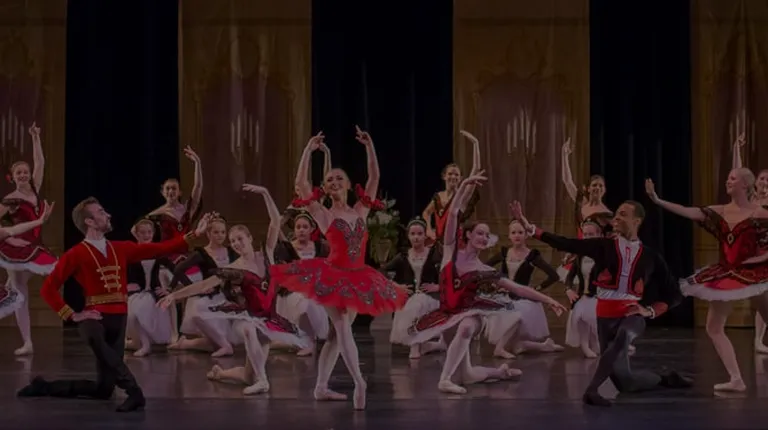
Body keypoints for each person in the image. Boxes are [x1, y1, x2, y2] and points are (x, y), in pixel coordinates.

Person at [16, 197, 210, 412]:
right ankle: (134, 391)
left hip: (119, 317)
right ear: (89, 221)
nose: (107, 215)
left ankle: (44, 387)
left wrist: (195, 234)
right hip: (94, 317)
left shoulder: (120, 248)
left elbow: (160, 248)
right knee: (95, 337)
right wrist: (71, 314)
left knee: (103, 389)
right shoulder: (76, 254)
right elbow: (48, 289)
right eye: (101, 212)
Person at [269, 128, 408, 410]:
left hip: (358, 276)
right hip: (332, 275)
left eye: (339, 178)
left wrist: (369, 146)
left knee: (336, 336)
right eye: (329, 179)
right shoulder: (323, 213)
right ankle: (359, 382)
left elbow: (374, 178)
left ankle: (321, 387)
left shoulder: (360, 210)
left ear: (348, 184)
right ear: (325, 186)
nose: (334, 181)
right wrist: (308, 150)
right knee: (343, 325)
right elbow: (301, 183)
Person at [510, 199, 691, 407]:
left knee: (623, 335)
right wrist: (531, 229)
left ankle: (591, 390)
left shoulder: (651, 257)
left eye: (623, 214)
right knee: (625, 382)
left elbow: (674, 294)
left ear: (637, 221)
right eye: (616, 214)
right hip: (605, 317)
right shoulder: (603, 246)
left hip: (631, 314)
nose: (617, 218)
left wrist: (649, 310)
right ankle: (666, 379)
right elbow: (566, 243)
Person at [405, 175, 567, 394]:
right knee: (468, 376)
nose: (483, 237)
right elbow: (452, 213)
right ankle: (501, 373)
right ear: (468, 235)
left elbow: (518, 288)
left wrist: (549, 300)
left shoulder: (485, 269)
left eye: (486, 235)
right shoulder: (451, 252)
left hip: (472, 312)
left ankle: (444, 380)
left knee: (466, 328)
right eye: (479, 233)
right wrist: (463, 186)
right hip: (447, 315)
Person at [159, 184, 309, 395]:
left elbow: (275, 222)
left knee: (248, 375)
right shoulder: (233, 268)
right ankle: (263, 381)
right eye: (232, 241)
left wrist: (266, 193)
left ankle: (220, 374)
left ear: (249, 238)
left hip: (269, 319)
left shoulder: (266, 253)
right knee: (248, 329)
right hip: (246, 318)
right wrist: (174, 295)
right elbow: (204, 284)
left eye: (240, 239)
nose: (237, 243)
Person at [647, 169, 768, 392]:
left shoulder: (759, 213)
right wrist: (658, 200)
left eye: (733, 178)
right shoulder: (719, 211)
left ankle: (737, 379)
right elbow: (689, 211)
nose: (727, 181)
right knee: (713, 327)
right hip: (727, 274)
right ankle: (736, 379)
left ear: (745, 185)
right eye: (728, 177)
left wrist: (761, 258)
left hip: (756, 274)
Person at [0, 123, 58, 355]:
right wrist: (11, 239)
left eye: (25, 172)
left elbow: (40, 163)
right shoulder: (10, 199)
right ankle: (27, 342)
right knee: (20, 293)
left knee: (16, 289)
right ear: (13, 177)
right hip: (15, 250)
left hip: (35, 246)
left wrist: (35, 137)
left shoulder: (35, 190)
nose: (24, 175)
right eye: (19, 173)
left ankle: (7, 290)